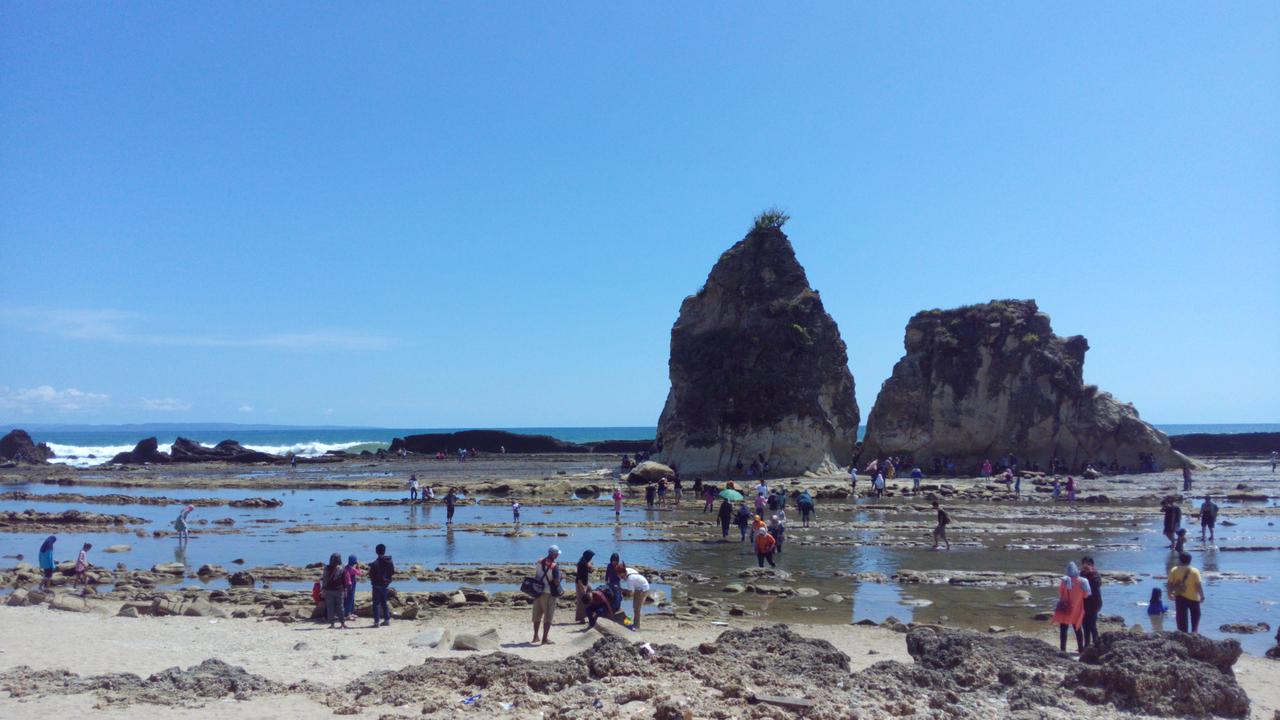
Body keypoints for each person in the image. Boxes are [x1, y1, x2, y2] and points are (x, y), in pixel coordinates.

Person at [1052, 562, 1092, 653]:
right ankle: (1081, 649)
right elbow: (1086, 595)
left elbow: (1060, 592)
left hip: (1065, 609)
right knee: (1077, 628)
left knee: (1063, 629)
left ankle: (1063, 649)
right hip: (1077, 608)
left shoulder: (1064, 580)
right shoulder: (1083, 581)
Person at [531, 545, 562, 645]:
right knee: (548, 616)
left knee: (537, 614)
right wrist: (561, 578)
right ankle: (544, 639)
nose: (558, 555)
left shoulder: (540, 561)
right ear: (555, 555)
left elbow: (537, 574)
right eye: (557, 554)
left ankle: (535, 636)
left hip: (537, 590)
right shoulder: (554, 566)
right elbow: (556, 582)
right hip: (548, 593)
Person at [1167, 552, 1204, 633]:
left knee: (1181, 618)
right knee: (1195, 616)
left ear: (1180, 560)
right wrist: (1202, 596)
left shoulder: (1174, 570)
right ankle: (1194, 633)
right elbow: (1198, 585)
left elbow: (1169, 583)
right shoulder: (1195, 571)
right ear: (1190, 561)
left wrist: (1169, 593)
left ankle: (1183, 635)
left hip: (1180, 597)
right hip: (1194, 598)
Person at [367, 543, 394, 627]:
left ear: (376, 552)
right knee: (384, 603)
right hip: (385, 584)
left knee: (376, 604)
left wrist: (373, 582)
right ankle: (386, 620)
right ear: (384, 551)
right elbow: (392, 572)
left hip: (377, 585)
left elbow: (371, 575)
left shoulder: (375, 563)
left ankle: (376, 622)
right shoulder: (389, 561)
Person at [1079, 556, 1103, 648]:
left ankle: (1097, 645)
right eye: (1084, 564)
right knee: (1085, 625)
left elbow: (1097, 584)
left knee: (1092, 625)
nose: (1085, 566)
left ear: (1092, 565)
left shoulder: (1095, 575)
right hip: (1084, 604)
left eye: (1088, 564)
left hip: (1094, 604)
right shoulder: (1081, 574)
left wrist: (1090, 573)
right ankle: (1087, 645)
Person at [321, 553, 349, 629]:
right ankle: (342, 623)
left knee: (330, 607)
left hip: (328, 590)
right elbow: (344, 580)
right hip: (339, 590)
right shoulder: (341, 568)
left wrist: (323, 589)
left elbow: (324, 579)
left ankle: (332, 624)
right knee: (340, 607)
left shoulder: (326, 568)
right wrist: (345, 589)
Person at [574, 550, 595, 623]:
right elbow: (579, 577)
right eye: (591, 557)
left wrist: (590, 567)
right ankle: (581, 618)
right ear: (588, 557)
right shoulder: (581, 564)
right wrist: (582, 586)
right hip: (580, 583)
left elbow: (590, 571)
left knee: (591, 595)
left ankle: (590, 614)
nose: (591, 558)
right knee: (581, 600)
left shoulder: (585, 562)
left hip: (585, 582)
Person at [343, 555, 363, 620]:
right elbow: (360, 573)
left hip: (346, 586)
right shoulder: (352, 569)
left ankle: (350, 612)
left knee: (348, 599)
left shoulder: (346, 567)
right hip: (351, 586)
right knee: (350, 599)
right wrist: (358, 566)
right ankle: (348, 614)